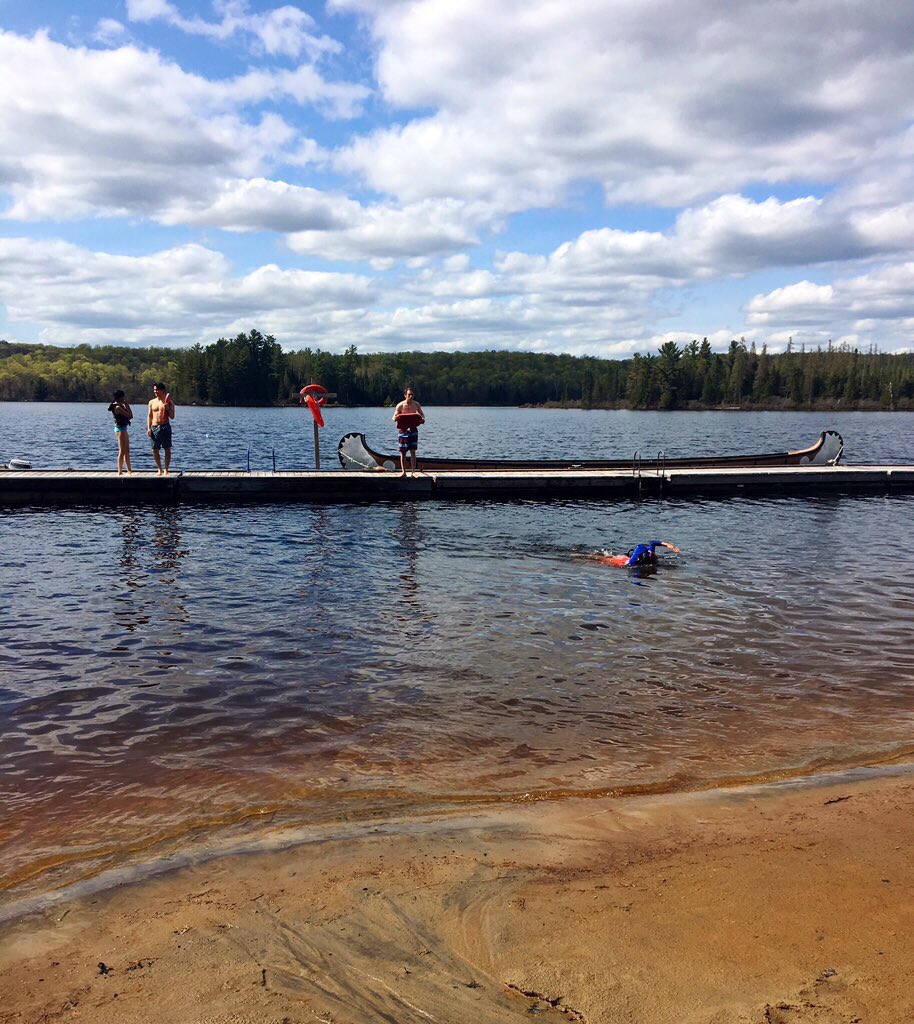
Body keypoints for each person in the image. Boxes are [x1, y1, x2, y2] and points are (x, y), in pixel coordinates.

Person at [392, 387, 425, 477]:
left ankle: (413, 472)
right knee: (403, 452)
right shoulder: (400, 405)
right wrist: (395, 418)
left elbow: (422, 415)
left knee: (413, 451)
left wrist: (422, 419)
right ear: (405, 395)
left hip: (413, 429)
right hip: (403, 430)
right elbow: (394, 417)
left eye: (412, 395)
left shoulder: (416, 404)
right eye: (409, 395)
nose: (411, 396)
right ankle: (404, 472)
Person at [147, 382, 176, 475]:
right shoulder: (151, 402)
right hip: (154, 427)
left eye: (157, 390)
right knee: (154, 449)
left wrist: (168, 408)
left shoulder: (169, 402)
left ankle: (166, 469)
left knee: (167, 448)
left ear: (162, 390)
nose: (155, 391)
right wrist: (149, 428)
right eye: (154, 390)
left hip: (165, 426)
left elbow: (172, 416)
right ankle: (159, 469)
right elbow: (150, 416)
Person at [597, 540, 681, 567]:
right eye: (656, 556)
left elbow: (653, 543)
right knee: (606, 560)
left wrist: (669, 545)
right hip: (625, 561)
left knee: (616, 557)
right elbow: (629, 565)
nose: (656, 556)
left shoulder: (650, 552)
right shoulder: (634, 561)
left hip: (633, 556)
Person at [107, 389, 133, 475]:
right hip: (120, 429)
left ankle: (129, 470)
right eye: (123, 397)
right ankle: (120, 471)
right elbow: (130, 416)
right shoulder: (117, 407)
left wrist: (126, 404)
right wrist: (127, 404)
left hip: (124, 428)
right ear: (120, 397)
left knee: (127, 450)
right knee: (122, 450)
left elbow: (130, 416)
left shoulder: (121, 405)